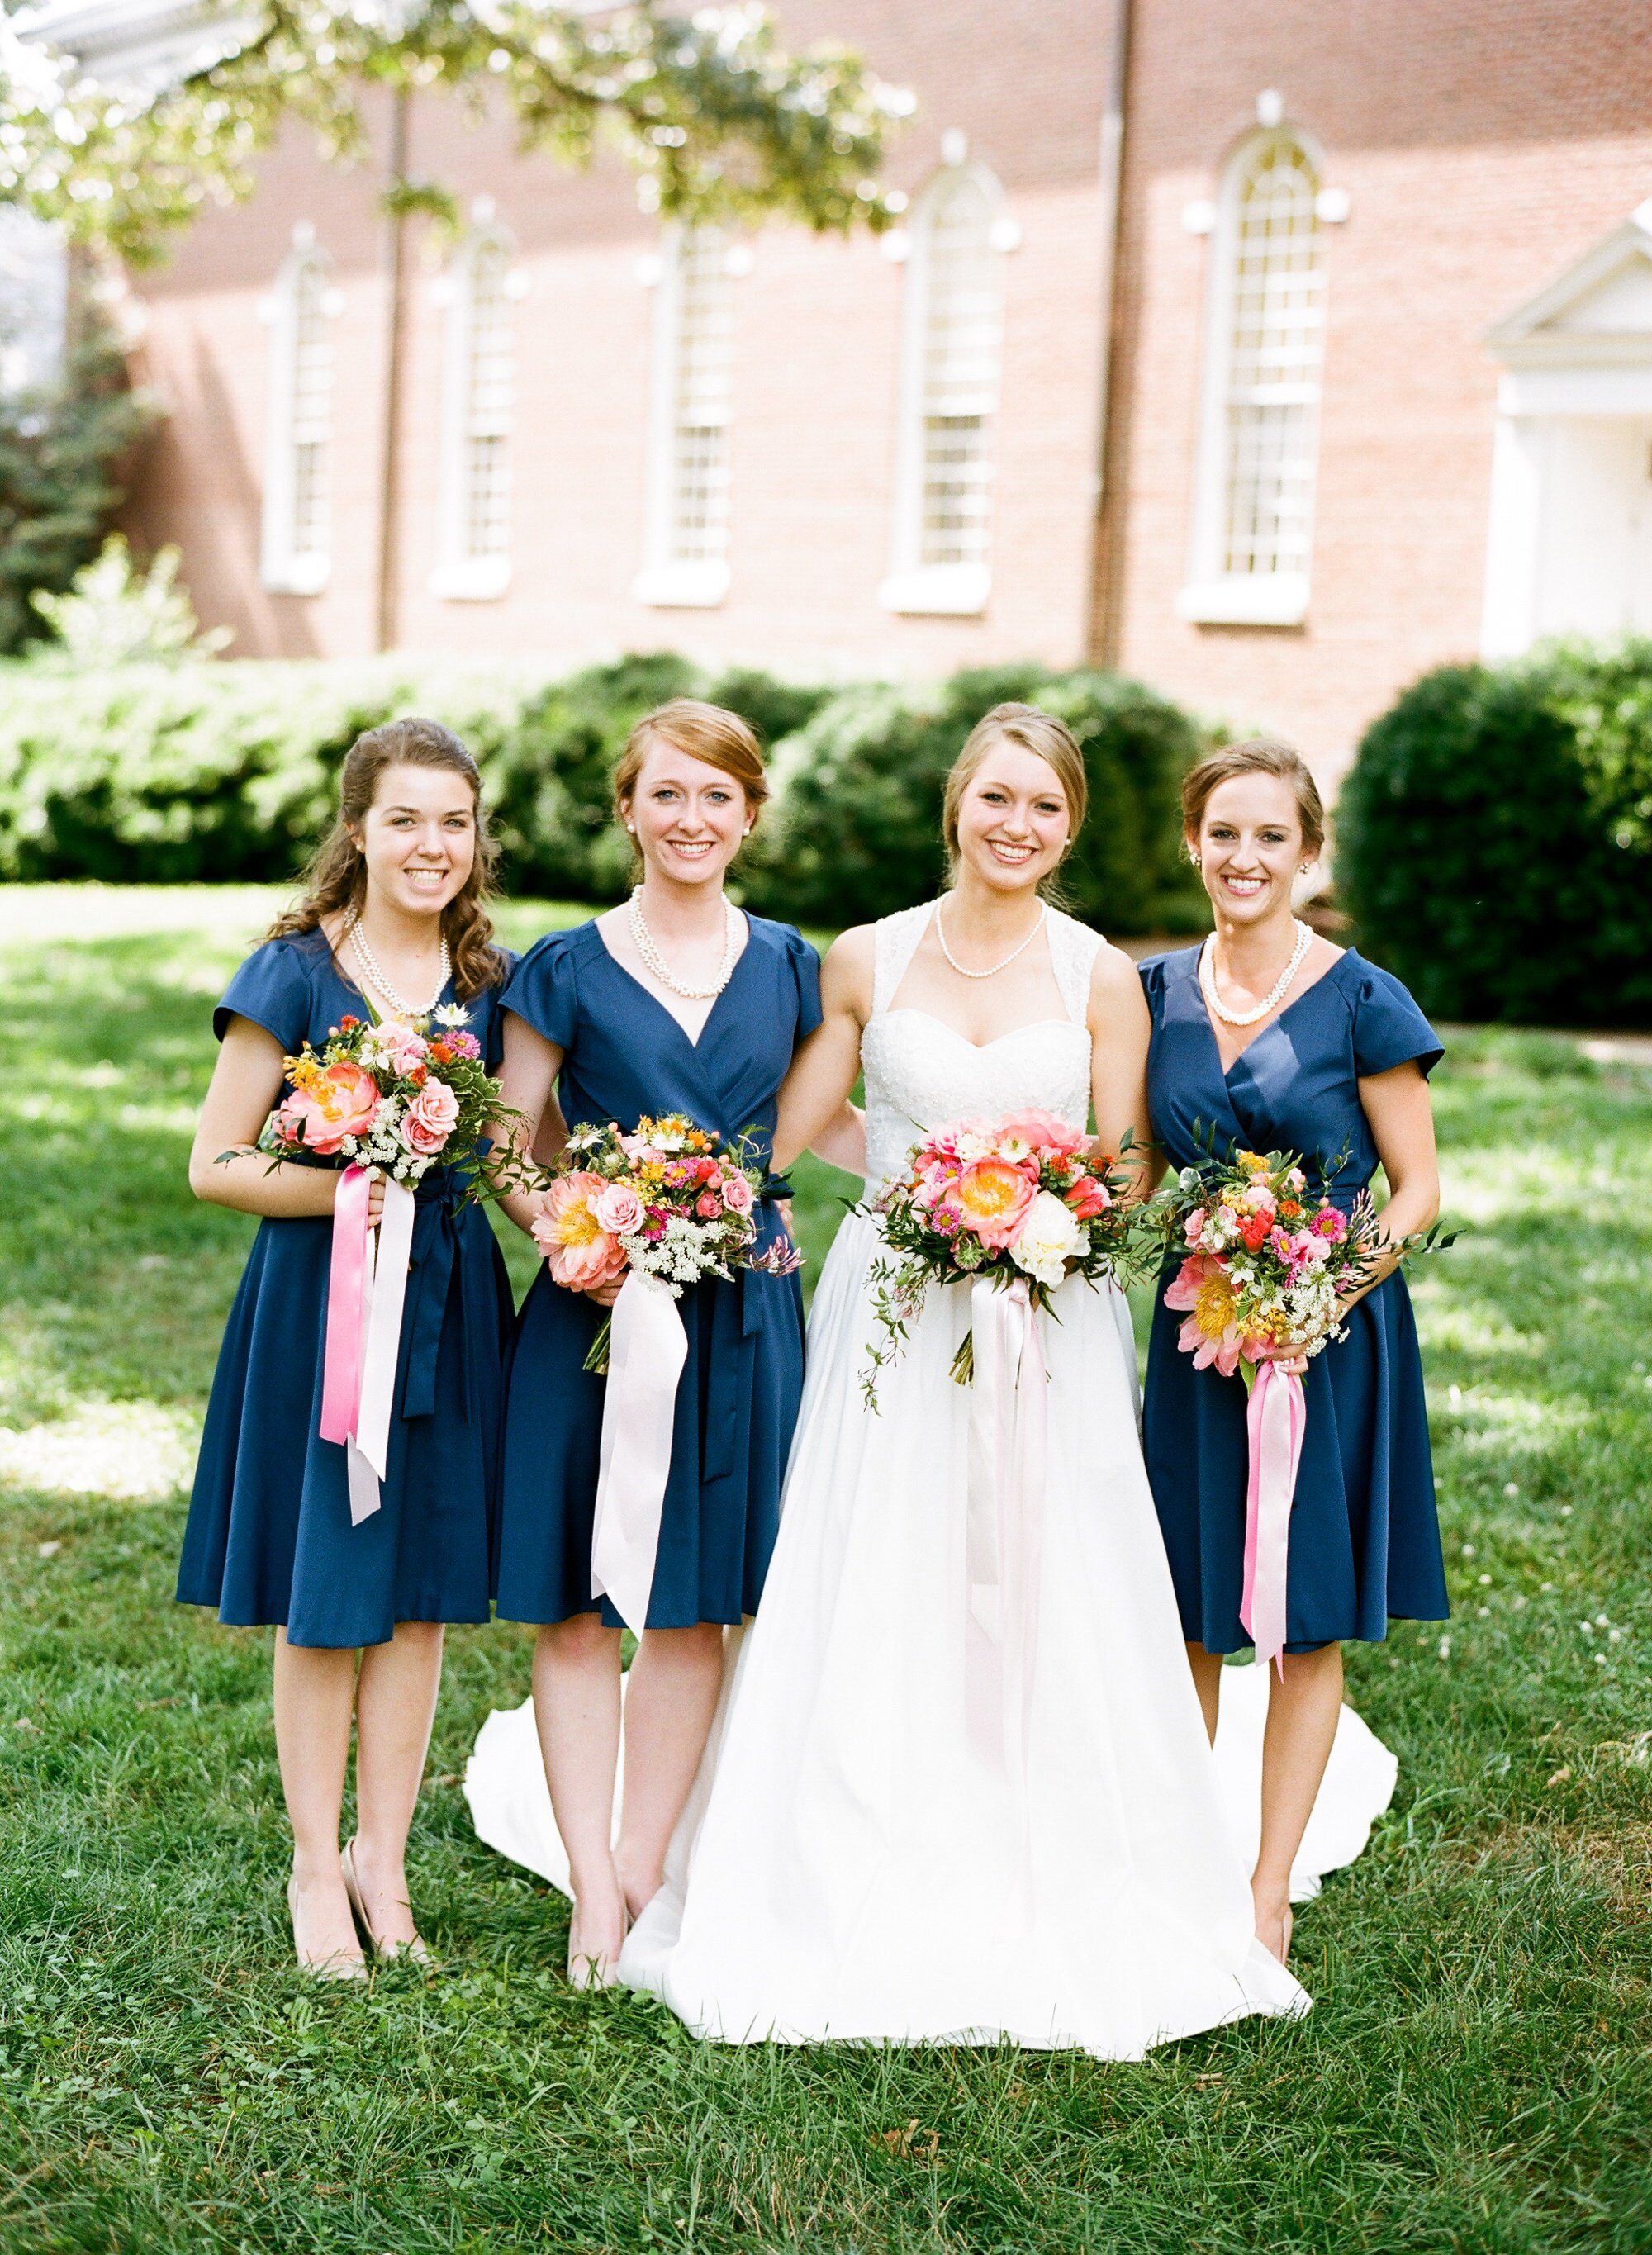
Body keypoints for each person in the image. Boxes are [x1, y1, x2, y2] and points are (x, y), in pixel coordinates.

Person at [542, 699, 1323, 2058]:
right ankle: (841, 1838)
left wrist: (1039, 1221)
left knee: (1048, 1571)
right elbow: (793, 1132)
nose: (1015, 826)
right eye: (994, 799)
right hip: (892, 1317)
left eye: (1043, 806)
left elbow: (1127, 1161)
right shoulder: (866, 957)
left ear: (1069, 827)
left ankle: (1056, 1838)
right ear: (956, 805)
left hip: (1051, 1317)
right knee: (877, 1564)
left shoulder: (1101, 979)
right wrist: (923, 1201)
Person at [483, 699, 850, 1991]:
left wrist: (987, 1187)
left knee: (696, 1606)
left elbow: (839, 1121)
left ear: (751, 815)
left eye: (718, 797)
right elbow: (505, 1134)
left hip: (744, 1315)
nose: (692, 819)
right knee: (578, 1601)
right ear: (629, 809)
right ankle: (591, 1876)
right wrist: (564, 1225)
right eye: (668, 795)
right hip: (592, 1314)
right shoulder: (564, 968)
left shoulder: (797, 966)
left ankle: (643, 1863)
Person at [178, 718, 515, 1978]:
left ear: (477, 839)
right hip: (324, 1312)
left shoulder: (496, 981)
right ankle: (315, 1862)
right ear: (359, 829)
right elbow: (215, 1162)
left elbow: (505, 1157)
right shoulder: (290, 970)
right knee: (327, 1599)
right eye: (407, 819)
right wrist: (361, 1184)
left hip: (449, 1309)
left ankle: (387, 1857)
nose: (433, 845)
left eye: (455, 821)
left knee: (421, 1593)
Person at [1139, 737, 1449, 1963]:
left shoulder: (1366, 998)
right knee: (1186, 1606)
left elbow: (1416, 1185)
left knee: (1303, 1616)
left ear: (1308, 853)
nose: (1245, 856)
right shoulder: (1153, 989)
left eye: (1272, 835)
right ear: (1193, 843)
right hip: (1193, 1335)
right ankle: (1178, 1858)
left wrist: (1320, 1291)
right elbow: (1137, 1167)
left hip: (1325, 1341)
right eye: (1224, 833)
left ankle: (1266, 1888)